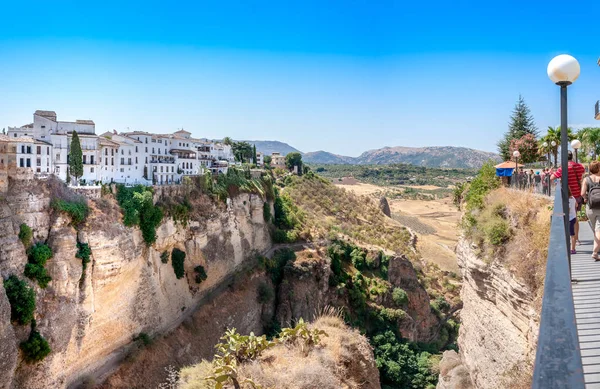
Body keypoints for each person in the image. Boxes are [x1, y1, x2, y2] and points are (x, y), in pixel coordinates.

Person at [552, 150, 585, 244]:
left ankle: (568, 240)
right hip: (577, 195)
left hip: (567, 196)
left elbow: (552, 178)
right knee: (575, 217)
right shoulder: (579, 166)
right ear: (572, 157)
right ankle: (576, 239)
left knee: (565, 217)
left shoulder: (563, 168)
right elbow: (582, 177)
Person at [582, 161, 600, 260]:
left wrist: (585, 198)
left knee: (596, 229)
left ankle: (597, 247)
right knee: (598, 230)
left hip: (590, 208)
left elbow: (582, 193)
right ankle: (595, 252)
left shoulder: (586, 179)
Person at [569, 188, 577, 255]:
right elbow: (576, 205)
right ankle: (573, 248)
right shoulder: (573, 198)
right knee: (572, 234)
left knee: (571, 234)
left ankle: (572, 249)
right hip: (573, 217)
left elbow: (567, 210)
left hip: (569, 219)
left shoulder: (568, 200)